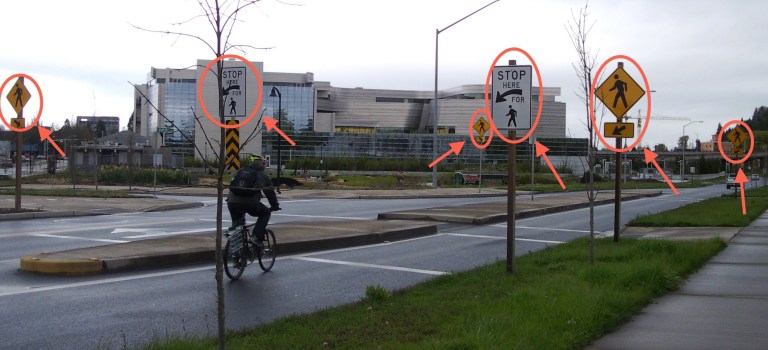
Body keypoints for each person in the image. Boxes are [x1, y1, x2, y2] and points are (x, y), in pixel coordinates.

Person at [227, 154, 280, 241]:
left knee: (237, 225)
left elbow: (232, 185)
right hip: (250, 203)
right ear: (262, 164)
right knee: (265, 213)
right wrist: (275, 205)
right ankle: (256, 236)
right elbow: (269, 192)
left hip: (232, 202)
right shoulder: (261, 175)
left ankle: (235, 249)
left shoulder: (240, 171)